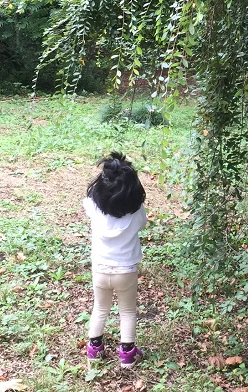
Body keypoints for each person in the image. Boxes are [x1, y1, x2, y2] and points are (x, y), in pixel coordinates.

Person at [83, 151, 147, 368]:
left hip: (100, 268)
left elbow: (88, 201)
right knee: (127, 311)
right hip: (126, 270)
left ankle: (94, 349)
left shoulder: (93, 208)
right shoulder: (136, 212)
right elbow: (143, 223)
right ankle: (128, 354)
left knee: (100, 308)